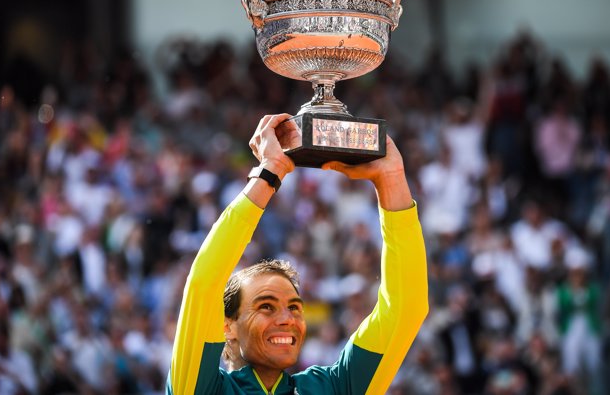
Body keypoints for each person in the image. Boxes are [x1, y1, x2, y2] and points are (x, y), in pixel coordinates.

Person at [166, 113, 429, 394]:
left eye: (294, 307)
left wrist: (392, 180)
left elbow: (406, 308)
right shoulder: (198, 388)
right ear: (227, 326)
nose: (287, 319)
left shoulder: (333, 388)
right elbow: (205, 284)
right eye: (266, 306)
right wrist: (269, 172)